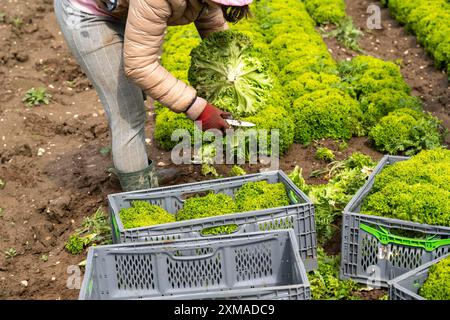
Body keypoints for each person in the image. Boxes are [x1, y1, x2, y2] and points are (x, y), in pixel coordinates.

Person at [54, 0, 252, 191]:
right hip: (89, 16)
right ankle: (140, 200)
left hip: (125, 10)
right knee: (128, 112)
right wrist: (200, 110)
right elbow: (139, 66)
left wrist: (232, 70)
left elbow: (210, 20)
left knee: (131, 100)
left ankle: (135, 170)